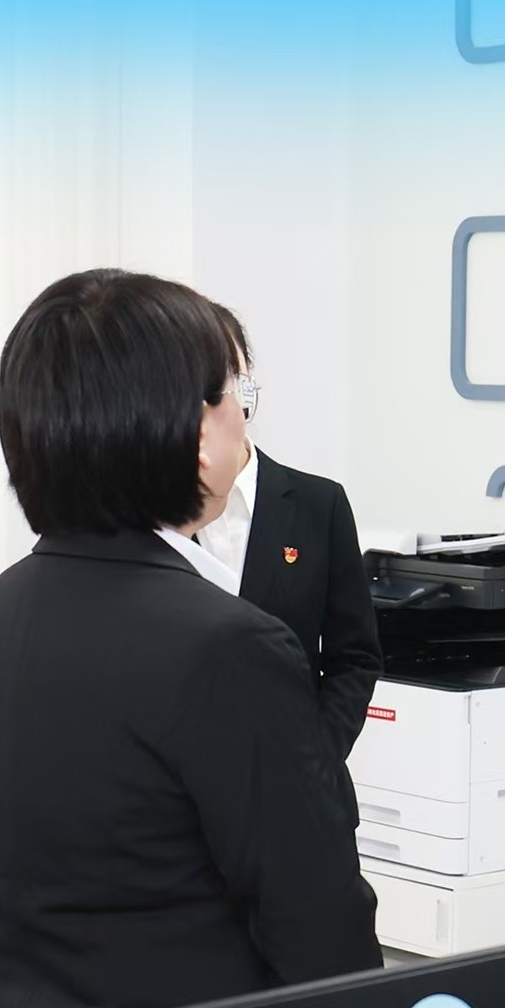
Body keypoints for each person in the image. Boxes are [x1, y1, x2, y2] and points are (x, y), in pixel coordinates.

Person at [0, 269, 381, 1008]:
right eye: (234, 394)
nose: (244, 418)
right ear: (191, 429)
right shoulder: (226, 646)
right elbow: (320, 932)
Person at [199, 305, 381, 791]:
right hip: (187, 791)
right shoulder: (154, 513)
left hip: (297, 785)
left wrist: (316, 757)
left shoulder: (318, 504)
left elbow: (355, 656)